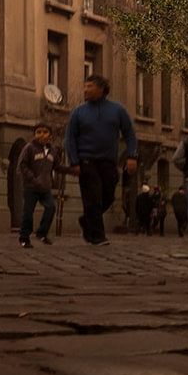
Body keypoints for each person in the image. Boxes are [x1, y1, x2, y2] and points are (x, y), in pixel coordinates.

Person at [66, 75, 138, 246]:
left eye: (89, 86)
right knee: (92, 197)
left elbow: (129, 134)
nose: (85, 90)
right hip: (86, 161)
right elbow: (70, 138)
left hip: (108, 161)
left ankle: (86, 221)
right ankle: (98, 236)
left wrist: (132, 156)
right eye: (85, 86)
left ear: (101, 88)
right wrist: (74, 162)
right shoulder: (78, 112)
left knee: (108, 197)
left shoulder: (117, 110)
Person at [16, 122, 71, 248]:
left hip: (45, 188)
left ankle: (42, 233)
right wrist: (33, 179)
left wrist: (71, 170)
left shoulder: (52, 150)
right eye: (38, 132)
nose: (41, 135)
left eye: (45, 132)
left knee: (51, 208)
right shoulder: (29, 148)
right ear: (35, 134)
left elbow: (57, 166)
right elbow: (22, 166)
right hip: (31, 187)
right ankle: (24, 238)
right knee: (28, 212)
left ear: (50, 135)